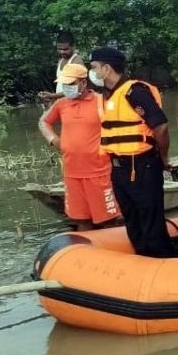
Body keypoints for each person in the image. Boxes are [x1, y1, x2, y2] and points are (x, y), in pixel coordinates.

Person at [89, 47, 174, 257]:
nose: (92, 73)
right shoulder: (109, 96)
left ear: (106, 69)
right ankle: (142, 261)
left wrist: (163, 158)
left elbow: (160, 126)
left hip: (142, 165)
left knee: (150, 220)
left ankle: (162, 262)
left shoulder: (134, 92)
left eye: (94, 68)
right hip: (119, 168)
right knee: (132, 219)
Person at [38, 64, 119, 230]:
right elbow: (43, 122)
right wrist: (53, 139)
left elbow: (118, 128)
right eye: (65, 84)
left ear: (83, 83)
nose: (67, 88)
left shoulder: (101, 102)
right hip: (72, 173)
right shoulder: (61, 104)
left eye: (71, 84)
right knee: (80, 220)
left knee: (107, 220)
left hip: (99, 172)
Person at [39, 31, 84, 104]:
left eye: (65, 49)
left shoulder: (76, 61)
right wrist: (53, 97)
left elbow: (76, 89)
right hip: (62, 104)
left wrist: (54, 96)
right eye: (59, 49)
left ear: (73, 47)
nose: (62, 52)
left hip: (73, 104)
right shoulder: (61, 60)